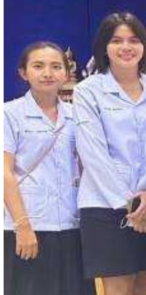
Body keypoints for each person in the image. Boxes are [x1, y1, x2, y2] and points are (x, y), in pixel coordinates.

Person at [74, 12, 146, 295]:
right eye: (116, 41)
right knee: (119, 288)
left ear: (144, 46)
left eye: (133, 40)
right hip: (106, 206)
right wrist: (131, 207)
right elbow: (93, 154)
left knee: (145, 286)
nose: (126, 47)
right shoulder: (88, 91)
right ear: (105, 47)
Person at [4, 42, 96, 295]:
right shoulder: (9, 114)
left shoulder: (77, 115)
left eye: (56, 66)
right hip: (28, 225)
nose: (47, 73)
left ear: (66, 73)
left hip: (72, 225)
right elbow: (4, 173)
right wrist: (23, 226)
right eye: (38, 66)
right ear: (23, 73)